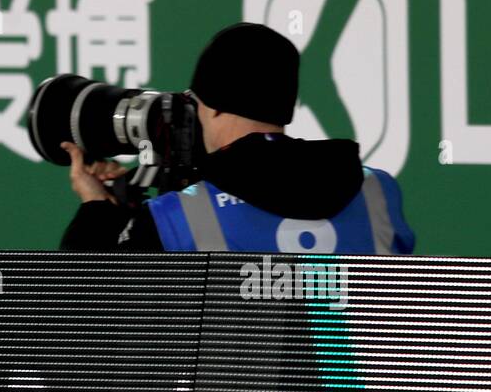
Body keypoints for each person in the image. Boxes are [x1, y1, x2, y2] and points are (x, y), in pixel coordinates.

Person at [59, 22, 415, 255]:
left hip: (231, 375)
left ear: (211, 108)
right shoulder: (378, 193)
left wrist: (96, 210)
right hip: (350, 373)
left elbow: (81, 317)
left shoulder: (177, 216)